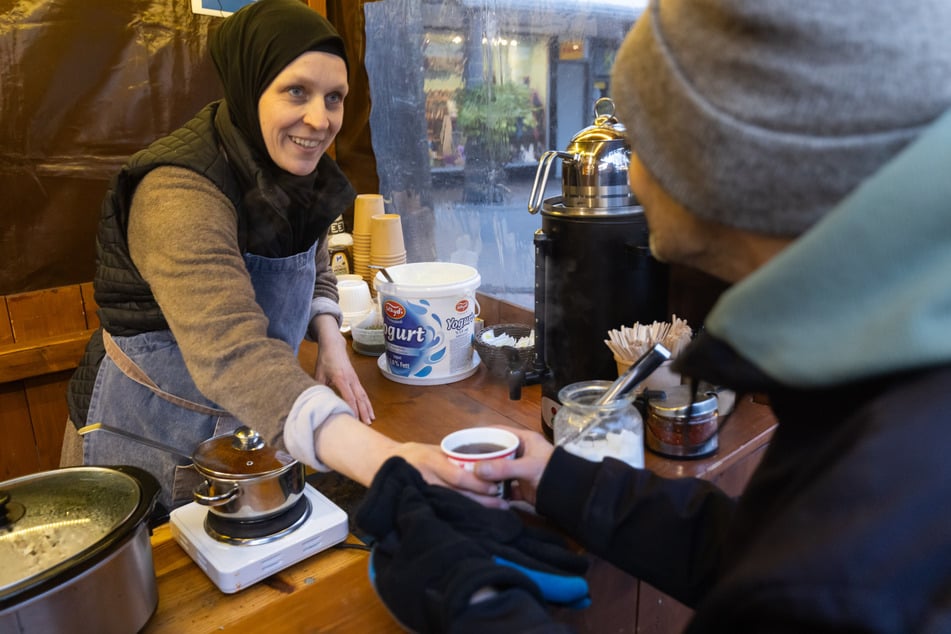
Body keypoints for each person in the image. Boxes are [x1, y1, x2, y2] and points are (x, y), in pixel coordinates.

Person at [355, 0, 951, 631]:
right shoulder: (879, 383)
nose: (630, 181)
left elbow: (792, 583)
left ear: (716, 159)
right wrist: (559, 477)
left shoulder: (842, 574)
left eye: (642, 142)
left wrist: (472, 602)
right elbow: (748, 544)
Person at [60, 0, 489, 513]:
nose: (320, 118)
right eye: (296, 92)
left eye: (335, 97)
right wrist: (384, 460)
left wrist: (329, 339)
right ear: (249, 85)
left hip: (245, 421)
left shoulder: (290, 169)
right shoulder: (177, 192)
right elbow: (231, 349)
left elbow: (314, 259)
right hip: (146, 440)